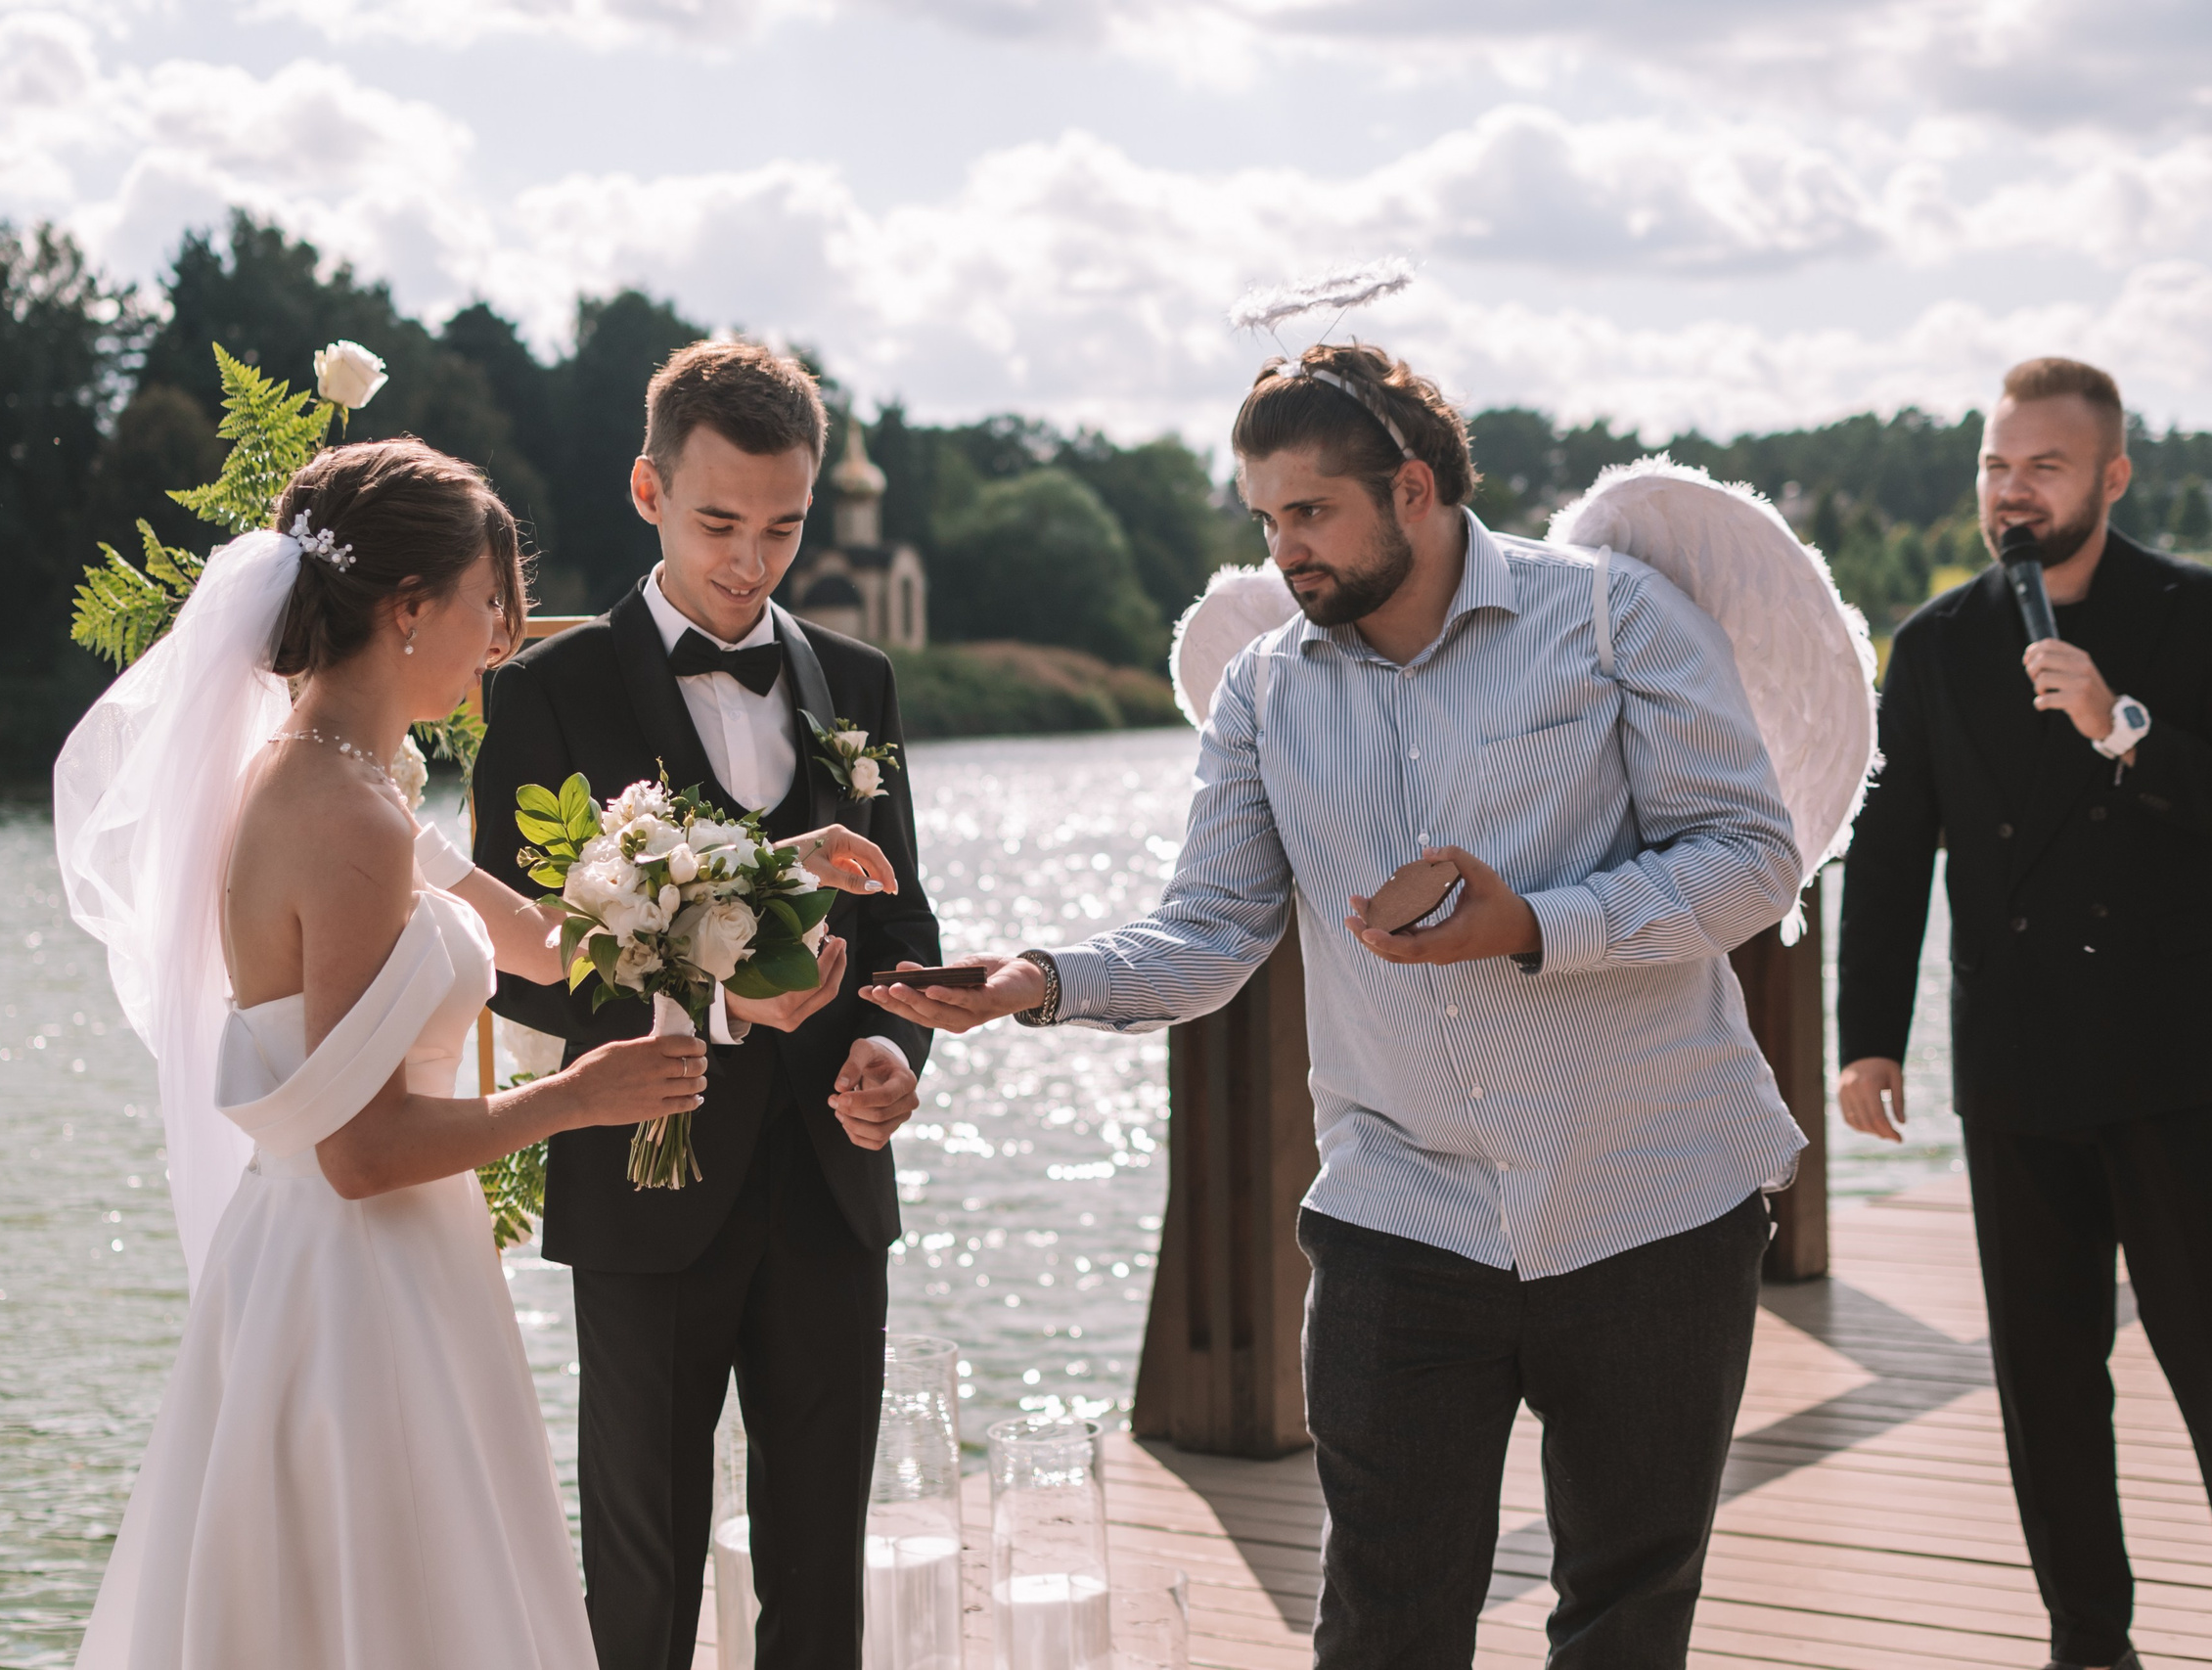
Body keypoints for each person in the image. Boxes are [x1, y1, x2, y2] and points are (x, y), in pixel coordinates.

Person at [868, 341, 1807, 1670]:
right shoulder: (1262, 689)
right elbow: (1215, 927)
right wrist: (1042, 978)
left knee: (1626, 1612)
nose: (1284, 550)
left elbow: (1752, 855)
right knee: (1380, 1622)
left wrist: (1535, 920)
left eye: (1309, 512)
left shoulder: (1613, 617)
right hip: (1400, 1212)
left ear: (1412, 488)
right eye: (1264, 519)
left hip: (1650, 1189)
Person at [56, 438, 720, 1667]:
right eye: (488, 604)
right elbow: (361, 1151)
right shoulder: (343, 821)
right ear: (409, 610)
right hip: (356, 1279)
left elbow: (530, 940)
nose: (504, 636)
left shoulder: (346, 771)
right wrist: (580, 1097)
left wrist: (737, 905)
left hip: (380, 1260)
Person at [472, 341, 942, 1670]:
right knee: (641, 1581)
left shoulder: (860, 683)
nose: (753, 559)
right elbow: (518, 962)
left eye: (784, 526)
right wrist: (726, 1009)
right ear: (647, 491)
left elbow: (901, 922)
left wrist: (892, 1054)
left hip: (832, 1186)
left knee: (821, 1574)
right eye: (720, 522)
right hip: (642, 1178)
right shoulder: (543, 696)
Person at [1836, 357, 2212, 1670]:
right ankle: (2087, 1641)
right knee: (2048, 1386)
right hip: (2016, 1066)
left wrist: (2121, 728)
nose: (2014, 491)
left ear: (2111, 476)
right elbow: (1894, 843)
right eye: (1998, 466)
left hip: (2178, 1060)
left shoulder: (2193, 612)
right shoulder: (1938, 641)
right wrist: (1869, 1033)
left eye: (2044, 467)